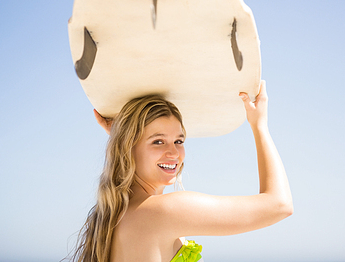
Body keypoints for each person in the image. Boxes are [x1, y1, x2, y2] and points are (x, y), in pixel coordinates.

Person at [70, 80, 293, 262]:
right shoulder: (164, 212)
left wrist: (123, 137)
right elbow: (279, 205)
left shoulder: (115, 217)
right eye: (158, 141)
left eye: (179, 140)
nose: (174, 153)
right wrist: (259, 125)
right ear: (128, 148)